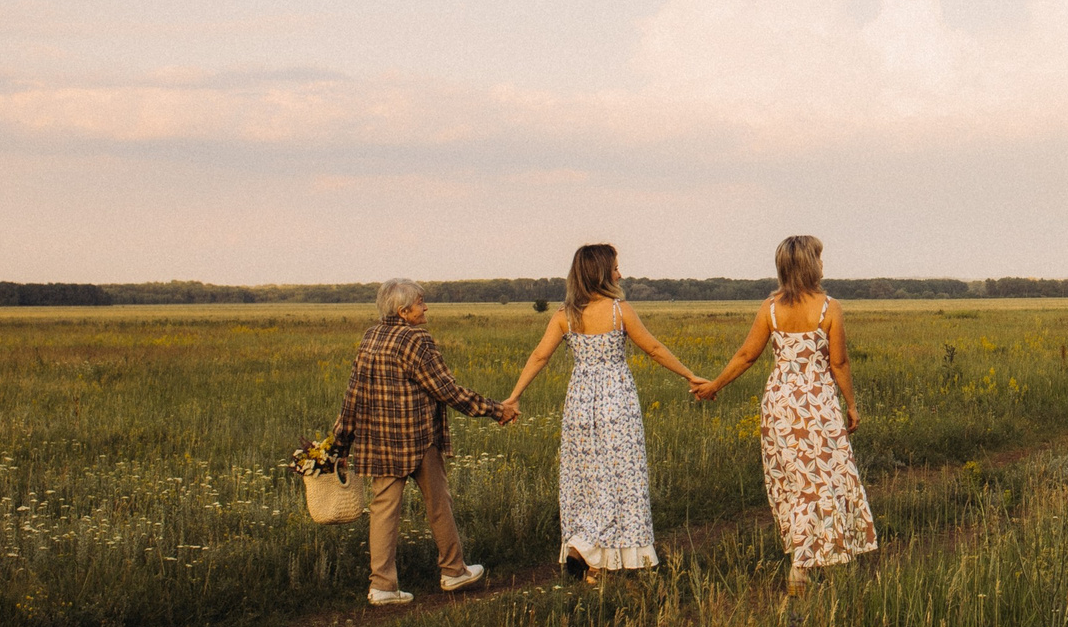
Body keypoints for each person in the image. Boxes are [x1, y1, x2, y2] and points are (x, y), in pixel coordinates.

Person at [508, 244, 705, 582]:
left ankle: (588, 554)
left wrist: (513, 397)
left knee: (585, 479)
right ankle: (605, 552)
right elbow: (654, 348)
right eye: (615, 267)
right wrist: (689, 374)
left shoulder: (564, 315)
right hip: (617, 403)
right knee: (621, 478)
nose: (620, 273)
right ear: (601, 272)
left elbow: (540, 356)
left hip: (580, 405)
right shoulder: (619, 311)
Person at [694, 234, 875, 595]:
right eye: (819, 258)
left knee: (792, 482)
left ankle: (802, 560)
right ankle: (811, 562)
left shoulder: (770, 308)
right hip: (817, 403)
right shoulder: (830, 308)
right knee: (824, 480)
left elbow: (746, 356)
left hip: (780, 404)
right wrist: (851, 404)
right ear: (811, 265)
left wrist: (715, 385)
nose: (823, 264)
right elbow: (838, 362)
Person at [332, 278, 511, 606]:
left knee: (383, 510)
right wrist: (496, 410)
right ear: (403, 311)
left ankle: (382, 586)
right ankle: (453, 571)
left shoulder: (371, 336)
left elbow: (353, 394)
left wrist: (340, 444)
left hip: (379, 442)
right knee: (439, 503)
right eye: (420, 302)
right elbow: (447, 390)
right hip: (417, 439)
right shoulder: (416, 339)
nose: (426, 307)